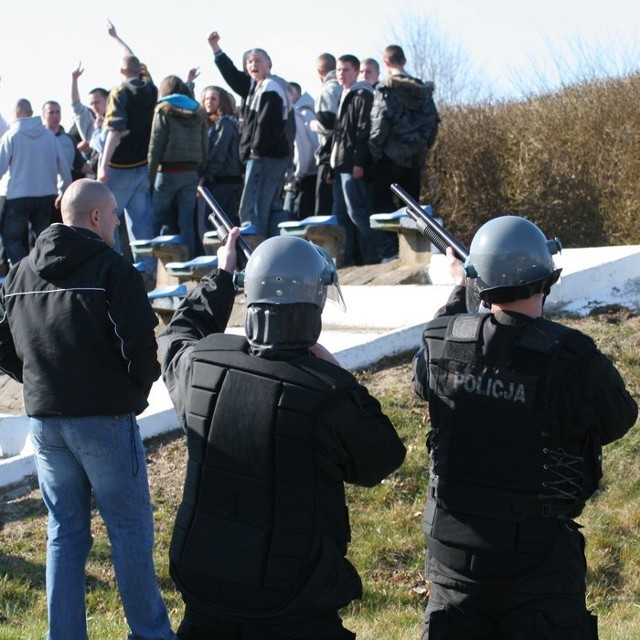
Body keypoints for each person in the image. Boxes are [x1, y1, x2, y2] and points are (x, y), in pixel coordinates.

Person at [158, 231, 406, 639]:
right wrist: (341, 375)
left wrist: (221, 277)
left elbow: (176, 335)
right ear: (315, 304)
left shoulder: (201, 364)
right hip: (292, 601)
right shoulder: (328, 393)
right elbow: (381, 457)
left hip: (206, 587)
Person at [412, 216, 638, 639]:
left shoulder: (441, 339)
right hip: (537, 560)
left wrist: (462, 290)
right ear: (546, 279)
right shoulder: (573, 356)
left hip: (453, 556)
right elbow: (620, 418)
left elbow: (426, 372)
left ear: (481, 284)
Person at [0, 178, 175, 640]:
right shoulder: (111, 268)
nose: (118, 221)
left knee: (65, 532)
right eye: (114, 213)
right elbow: (140, 345)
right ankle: (152, 634)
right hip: (105, 419)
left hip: (47, 421)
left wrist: (38, 381)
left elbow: (5, 345)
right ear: (96, 217)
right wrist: (135, 390)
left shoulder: (20, 271)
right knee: (130, 529)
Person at [208, 30, 295, 238]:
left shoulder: (270, 87)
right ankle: (276, 246)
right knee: (272, 207)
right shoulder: (257, 87)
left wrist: (254, 150)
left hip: (264, 157)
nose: (252, 64)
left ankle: (256, 255)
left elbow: (267, 125)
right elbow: (233, 77)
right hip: (272, 157)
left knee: (252, 209)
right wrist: (216, 51)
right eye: (248, 61)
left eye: (257, 60)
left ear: (269, 64)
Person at [98, 20, 157, 275]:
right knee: (142, 225)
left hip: (119, 166)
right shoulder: (151, 88)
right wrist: (116, 38)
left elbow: (115, 131)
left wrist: (102, 166)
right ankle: (148, 273)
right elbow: (132, 60)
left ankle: (116, 272)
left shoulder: (119, 92)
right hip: (143, 165)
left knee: (110, 221)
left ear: (120, 72)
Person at [330, 54, 397, 265]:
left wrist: (358, 162)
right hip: (340, 165)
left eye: (346, 70)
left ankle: (387, 250)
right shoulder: (346, 94)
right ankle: (348, 259)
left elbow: (362, 132)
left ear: (356, 71)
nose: (341, 74)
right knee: (343, 217)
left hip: (351, 165)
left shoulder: (362, 95)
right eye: (339, 70)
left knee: (358, 212)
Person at [369, 44, 440, 214]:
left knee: (381, 206)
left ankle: (390, 242)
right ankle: (409, 242)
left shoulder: (387, 89)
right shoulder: (424, 91)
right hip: (416, 157)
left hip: (389, 156)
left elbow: (380, 123)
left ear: (386, 63)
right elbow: (433, 122)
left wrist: (374, 152)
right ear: (404, 61)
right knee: (412, 210)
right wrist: (423, 147)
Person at [0, 98, 71, 266]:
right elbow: (64, 167)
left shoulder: (12, 135)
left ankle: (22, 271)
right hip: (46, 195)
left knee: (13, 239)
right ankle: (41, 272)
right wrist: (63, 190)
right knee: (41, 239)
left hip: (17, 196)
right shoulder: (49, 136)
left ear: (16, 113)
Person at [148, 74, 208, 260]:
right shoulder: (198, 111)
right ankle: (188, 260)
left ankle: (154, 262)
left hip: (167, 171)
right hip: (191, 171)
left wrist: (149, 177)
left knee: (156, 218)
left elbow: (156, 145)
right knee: (186, 221)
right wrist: (200, 170)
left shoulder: (162, 109)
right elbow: (205, 144)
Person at [199, 84, 243, 234]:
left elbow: (219, 153)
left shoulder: (225, 123)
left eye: (213, 98)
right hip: (227, 180)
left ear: (221, 101)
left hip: (223, 180)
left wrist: (206, 176)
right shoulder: (222, 123)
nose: (208, 102)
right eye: (206, 99)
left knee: (216, 224)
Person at [311, 53, 342, 216]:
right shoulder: (344, 87)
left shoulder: (327, 90)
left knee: (323, 207)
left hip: (328, 154)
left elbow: (328, 125)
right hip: (341, 154)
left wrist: (314, 125)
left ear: (319, 71)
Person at [284, 81, 319, 219]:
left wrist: (298, 173)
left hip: (305, 174)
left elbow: (302, 148)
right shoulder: (307, 111)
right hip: (311, 171)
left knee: (299, 214)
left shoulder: (298, 114)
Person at [70, 62, 109, 174]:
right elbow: (76, 105)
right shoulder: (89, 121)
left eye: (97, 102)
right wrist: (74, 79)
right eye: (91, 104)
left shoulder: (118, 119)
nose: (94, 106)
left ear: (107, 100)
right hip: (96, 174)